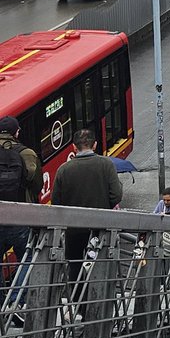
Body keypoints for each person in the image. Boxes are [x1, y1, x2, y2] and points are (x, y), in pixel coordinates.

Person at [51, 129, 124, 283]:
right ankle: (97, 299)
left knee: (75, 265)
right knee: (100, 263)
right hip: (101, 226)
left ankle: (77, 301)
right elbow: (116, 195)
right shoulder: (106, 165)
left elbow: (56, 202)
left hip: (74, 228)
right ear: (95, 145)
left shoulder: (64, 169)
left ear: (73, 147)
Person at [0, 116, 43, 289]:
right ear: (16, 132)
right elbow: (36, 184)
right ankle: (16, 299)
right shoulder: (26, 153)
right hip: (20, 216)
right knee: (27, 257)